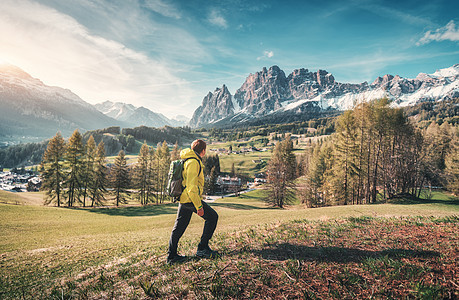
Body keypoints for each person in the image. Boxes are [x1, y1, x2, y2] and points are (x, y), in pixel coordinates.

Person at [167, 139, 219, 264]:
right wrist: (199, 206)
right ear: (203, 151)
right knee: (212, 217)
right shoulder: (193, 162)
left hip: (183, 199)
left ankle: (171, 256)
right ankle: (202, 249)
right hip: (190, 199)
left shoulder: (188, 159)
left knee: (178, 228)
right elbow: (191, 188)